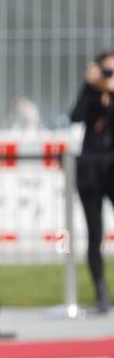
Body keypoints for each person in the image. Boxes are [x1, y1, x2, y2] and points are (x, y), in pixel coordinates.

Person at [70, 53, 114, 313]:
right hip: (91, 169)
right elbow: (75, 116)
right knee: (94, 234)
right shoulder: (90, 93)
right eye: (104, 70)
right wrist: (89, 85)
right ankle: (100, 292)